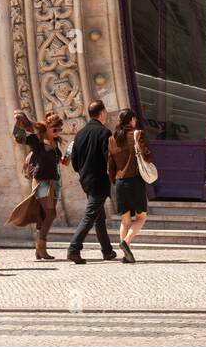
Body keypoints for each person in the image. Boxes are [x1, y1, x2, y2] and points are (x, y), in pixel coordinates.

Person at [12, 110, 70, 261]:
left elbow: (62, 162)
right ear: (47, 128)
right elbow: (19, 138)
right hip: (42, 182)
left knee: (44, 216)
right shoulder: (37, 141)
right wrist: (18, 122)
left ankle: (40, 251)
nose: (57, 132)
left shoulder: (55, 144)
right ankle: (41, 246)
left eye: (60, 129)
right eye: (55, 129)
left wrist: (69, 154)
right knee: (51, 214)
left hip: (55, 182)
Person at [66, 99, 117, 264]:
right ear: (101, 113)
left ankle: (107, 251)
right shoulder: (104, 133)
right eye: (105, 112)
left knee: (98, 216)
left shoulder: (79, 134)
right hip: (99, 180)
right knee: (90, 215)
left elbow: (74, 160)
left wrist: (83, 172)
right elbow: (108, 159)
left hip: (86, 179)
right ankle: (74, 249)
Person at [107, 109, 152, 263]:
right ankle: (125, 242)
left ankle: (125, 255)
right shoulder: (137, 134)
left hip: (120, 182)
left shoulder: (112, 139)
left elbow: (110, 165)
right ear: (132, 120)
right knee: (141, 217)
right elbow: (146, 154)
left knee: (125, 220)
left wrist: (115, 180)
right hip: (135, 180)